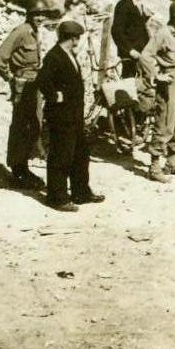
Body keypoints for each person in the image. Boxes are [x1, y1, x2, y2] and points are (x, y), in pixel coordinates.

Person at [37, 20, 104, 212]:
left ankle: (80, 192)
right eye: (77, 37)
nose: (78, 40)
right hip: (61, 115)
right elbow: (42, 80)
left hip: (73, 114)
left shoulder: (68, 54)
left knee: (80, 153)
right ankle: (56, 197)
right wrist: (54, 95)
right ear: (71, 38)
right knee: (61, 155)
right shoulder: (54, 56)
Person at [0, 0, 56, 190]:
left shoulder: (35, 32)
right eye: (36, 14)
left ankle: (23, 167)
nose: (39, 18)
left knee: (33, 125)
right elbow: (0, 56)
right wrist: (10, 78)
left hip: (34, 83)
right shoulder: (21, 31)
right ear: (29, 15)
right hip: (23, 84)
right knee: (22, 125)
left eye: (42, 15)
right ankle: (18, 170)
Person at [138, 0, 175, 183]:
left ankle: (171, 161)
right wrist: (157, 74)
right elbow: (146, 56)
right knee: (164, 124)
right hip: (169, 81)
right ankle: (154, 166)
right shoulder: (163, 33)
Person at [111, 0, 151, 80]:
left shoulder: (136, 3)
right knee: (128, 79)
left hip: (139, 52)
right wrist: (129, 50)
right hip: (130, 54)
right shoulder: (123, 5)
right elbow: (116, 31)